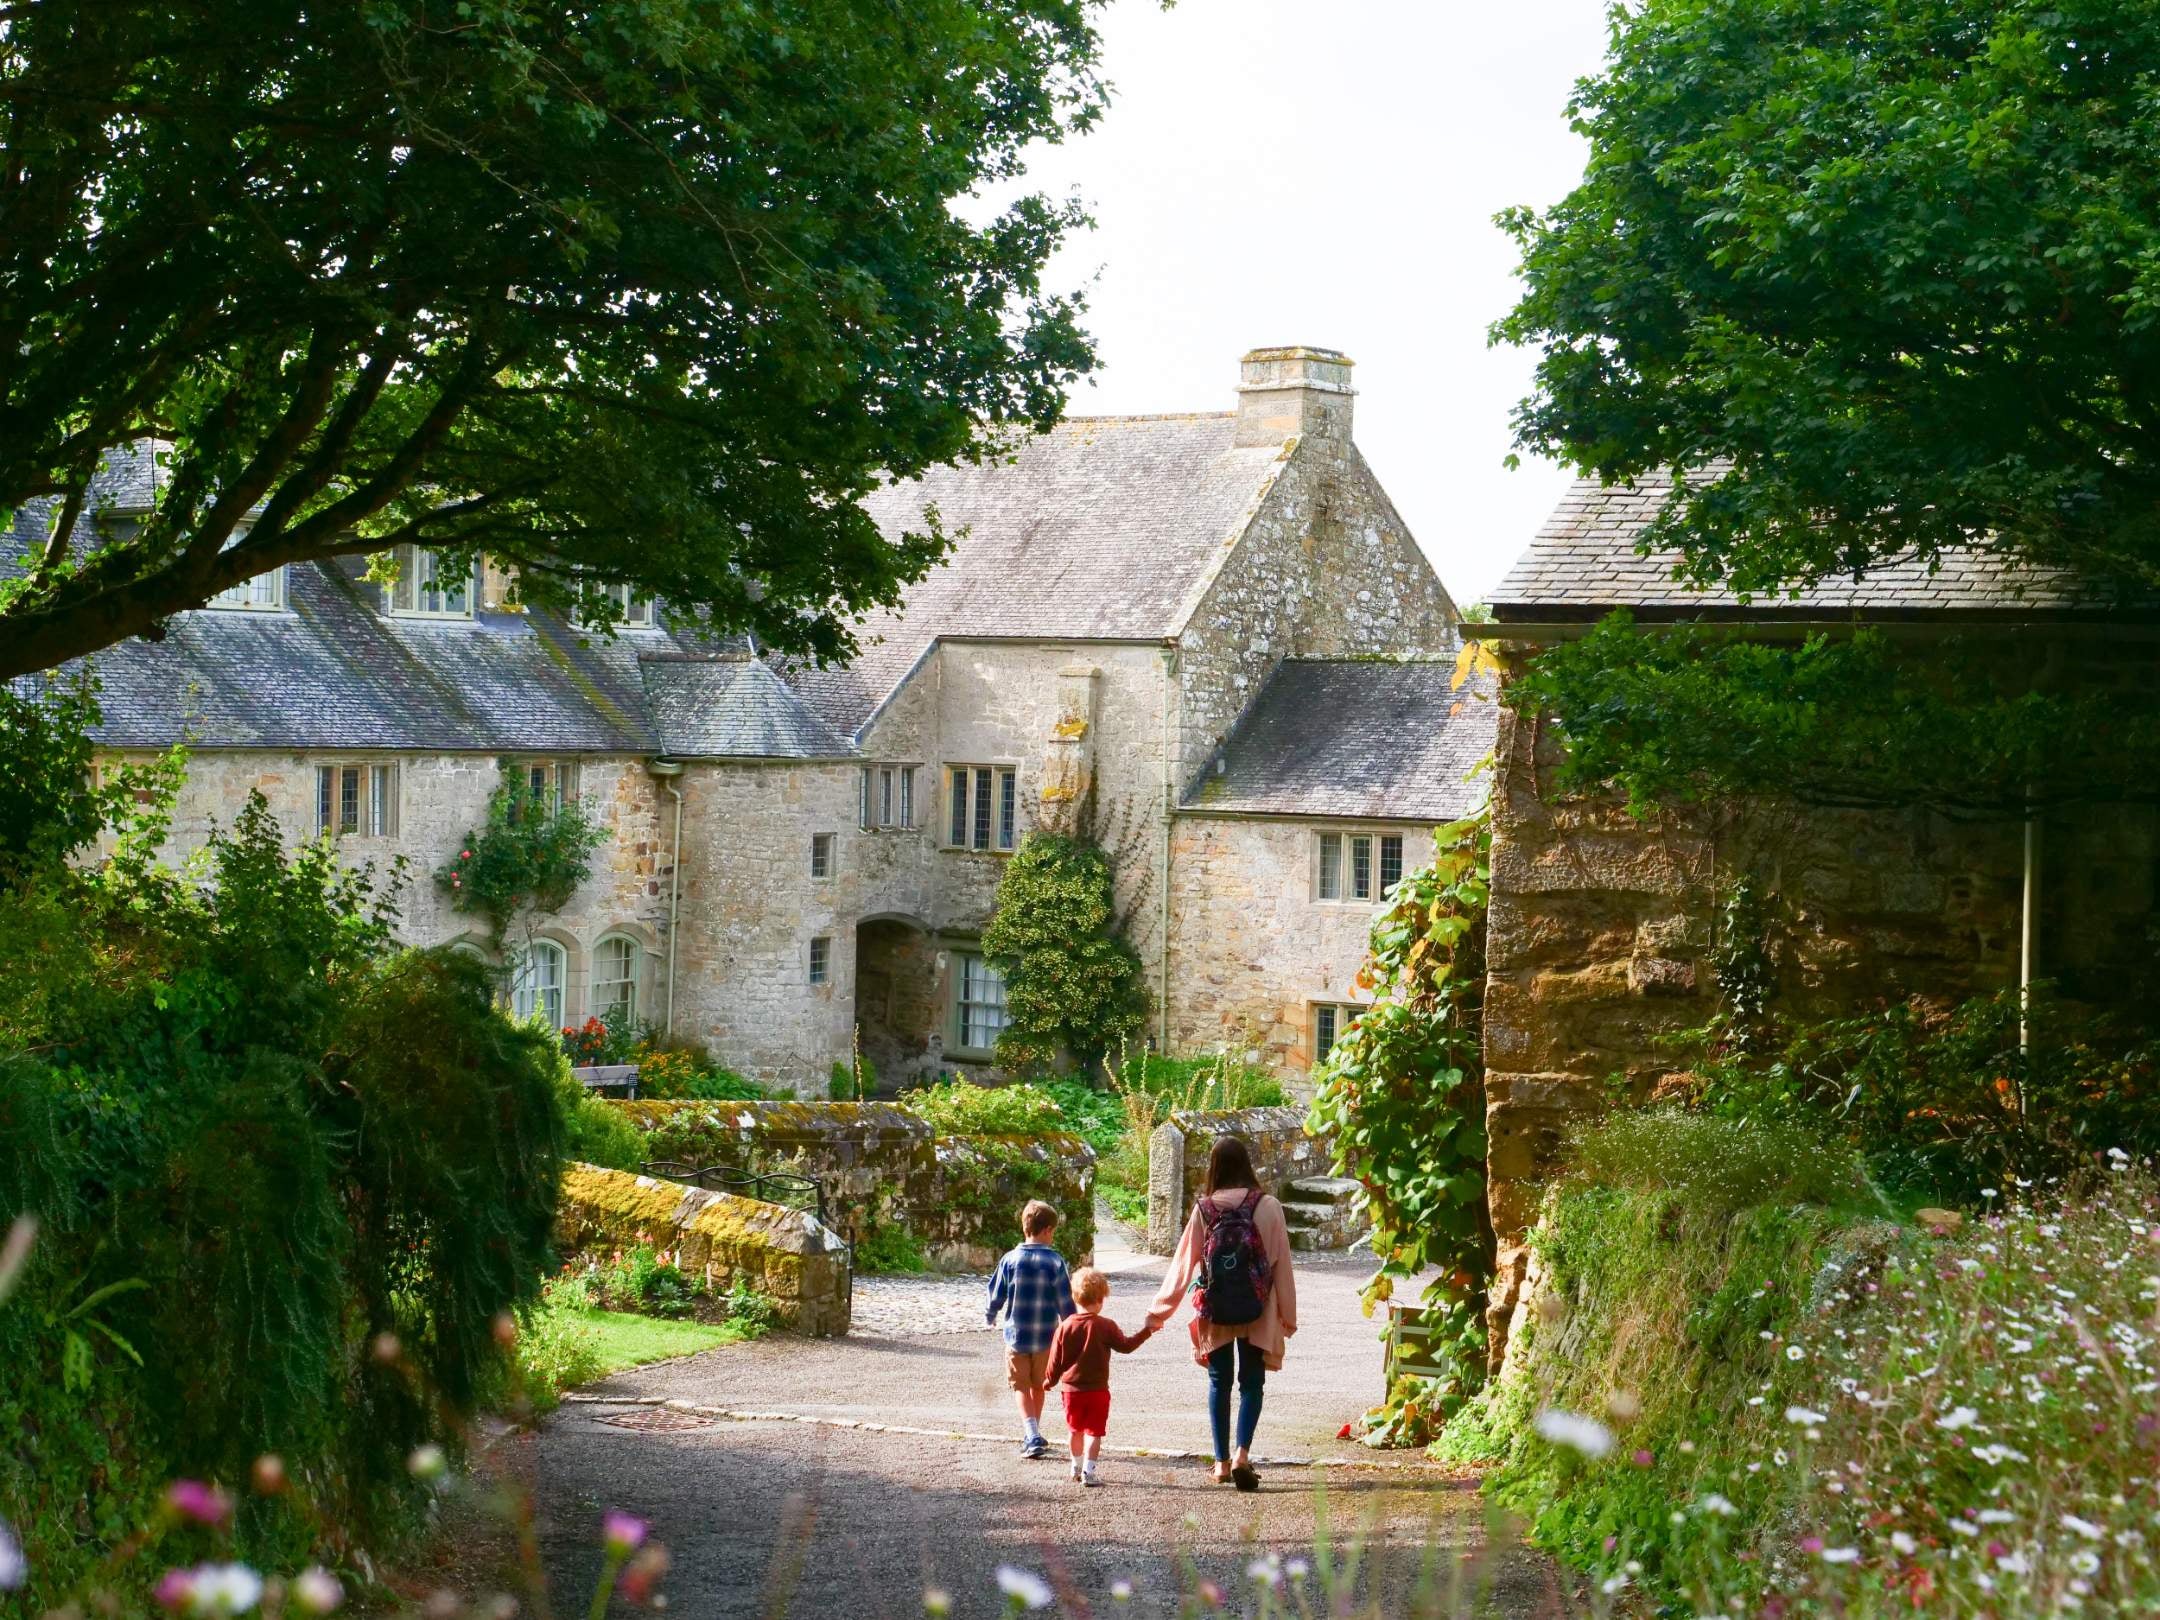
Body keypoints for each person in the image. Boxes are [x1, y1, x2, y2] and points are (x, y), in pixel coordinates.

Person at [1147, 1135, 1298, 1491]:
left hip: (1216, 1308)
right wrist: (1287, 1317)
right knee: (1252, 1383)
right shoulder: (1270, 1206)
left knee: (1219, 1382)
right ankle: (1243, 1453)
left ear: (1214, 1167)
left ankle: (1221, 1463)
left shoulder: (1205, 1209)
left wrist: (1159, 1312)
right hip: (1259, 1307)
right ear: (1247, 1164)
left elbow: (1183, 1266)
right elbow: (1282, 1267)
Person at [1041, 1265, 1156, 1486]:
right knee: (1094, 1432)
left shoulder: (1065, 1327)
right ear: (1101, 1299)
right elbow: (1126, 1346)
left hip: (1071, 1391)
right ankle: (1089, 1472)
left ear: (1075, 1297)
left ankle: (1075, 1466)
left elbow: (1055, 1360)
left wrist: (1049, 1380)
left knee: (1074, 1430)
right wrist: (1147, 1331)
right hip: (1097, 1390)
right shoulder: (1106, 1326)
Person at [984, 1199, 1075, 1459]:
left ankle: (1031, 1433)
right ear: (1046, 1230)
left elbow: (996, 1294)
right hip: (1047, 1337)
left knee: (1020, 1386)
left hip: (1017, 1336)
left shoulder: (1010, 1260)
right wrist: (1071, 1327)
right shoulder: (1055, 1262)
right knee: (1039, 1385)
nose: (1053, 1237)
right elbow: (1065, 1301)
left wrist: (990, 1315)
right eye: (1053, 1232)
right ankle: (1034, 1432)